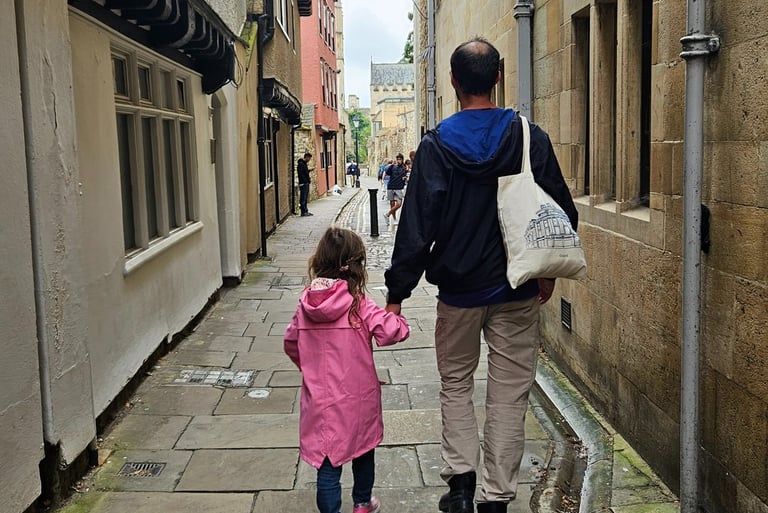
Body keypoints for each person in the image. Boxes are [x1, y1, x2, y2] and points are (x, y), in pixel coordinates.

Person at [383, 37, 578, 513]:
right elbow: (560, 211)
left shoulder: (435, 146)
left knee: (455, 386)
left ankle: (462, 487)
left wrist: (396, 293)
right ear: (498, 77)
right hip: (516, 290)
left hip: (459, 293)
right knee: (510, 396)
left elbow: (416, 225)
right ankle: (496, 499)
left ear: (453, 82)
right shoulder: (529, 138)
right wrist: (547, 272)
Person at [284, 227, 411, 513]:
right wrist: (397, 314)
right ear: (356, 266)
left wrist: (310, 370)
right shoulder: (358, 304)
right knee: (363, 450)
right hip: (357, 398)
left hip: (320, 400)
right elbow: (391, 332)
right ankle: (363, 504)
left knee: (327, 463)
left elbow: (291, 341)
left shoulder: (305, 304)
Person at [383, 153, 408, 225]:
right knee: (392, 204)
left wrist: (405, 178)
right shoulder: (392, 166)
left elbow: (406, 176)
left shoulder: (404, 168)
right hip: (391, 187)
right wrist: (391, 166)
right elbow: (387, 173)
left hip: (399, 188)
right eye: (397, 159)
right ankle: (394, 219)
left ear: (402, 159)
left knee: (399, 204)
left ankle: (387, 214)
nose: (398, 160)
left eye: (400, 159)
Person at [297, 152, 313, 216]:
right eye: (309, 158)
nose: (309, 160)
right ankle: (303, 212)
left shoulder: (304, 164)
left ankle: (306, 211)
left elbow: (304, 172)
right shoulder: (301, 164)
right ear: (306, 157)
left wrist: (309, 170)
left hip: (306, 183)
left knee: (305, 198)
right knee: (303, 198)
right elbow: (301, 174)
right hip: (303, 183)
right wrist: (304, 181)